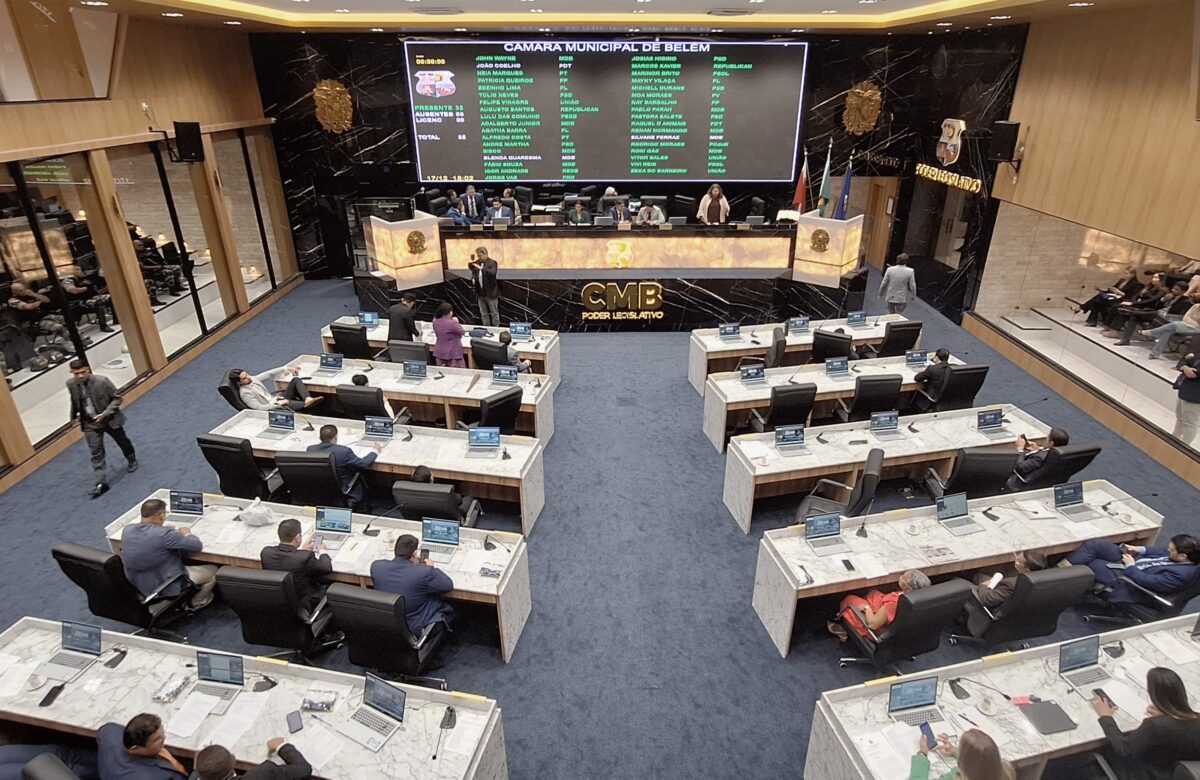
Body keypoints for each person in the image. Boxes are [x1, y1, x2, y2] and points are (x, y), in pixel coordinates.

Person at [1089, 667, 1200, 780]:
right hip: (1176, 770)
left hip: (1149, 773)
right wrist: (1164, 715)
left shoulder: (1156, 726)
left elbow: (1124, 748)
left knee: (1099, 753)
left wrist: (1106, 716)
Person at [121, 498, 217, 609]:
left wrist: (163, 530)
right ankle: (198, 602)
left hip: (139, 584)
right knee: (214, 571)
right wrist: (187, 534)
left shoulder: (128, 529)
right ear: (161, 516)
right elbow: (196, 546)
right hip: (165, 584)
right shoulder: (165, 534)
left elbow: (149, 538)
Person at [67, 360, 137, 499]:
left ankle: (131, 459)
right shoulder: (71, 384)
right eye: (76, 373)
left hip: (109, 420)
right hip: (90, 423)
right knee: (96, 452)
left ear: (88, 369)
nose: (80, 376)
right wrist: (73, 417)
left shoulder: (102, 381)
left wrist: (105, 414)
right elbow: (75, 401)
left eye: (82, 372)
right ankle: (101, 482)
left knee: (122, 441)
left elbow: (117, 399)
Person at [1065, 534, 1200, 605]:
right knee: (1096, 544)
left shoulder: (1180, 575)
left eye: (1172, 550)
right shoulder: (1183, 557)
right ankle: (1059, 571)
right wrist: (1139, 549)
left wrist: (1130, 566)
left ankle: (1059, 583)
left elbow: (1145, 580)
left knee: (1093, 563)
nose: (1168, 550)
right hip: (1132, 561)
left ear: (1182, 556)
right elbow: (1162, 551)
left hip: (1128, 580)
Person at [370, 534, 455, 636]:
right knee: (453, 607)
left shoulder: (377, 566)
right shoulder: (424, 572)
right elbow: (447, 586)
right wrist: (431, 568)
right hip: (415, 626)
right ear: (414, 554)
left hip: (388, 623)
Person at [828, 569, 931, 641]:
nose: (901, 576)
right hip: (902, 631)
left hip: (876, 629)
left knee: (850, 599)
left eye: (903, 576)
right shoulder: (923, 598)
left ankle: (840, 628)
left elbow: (873, 624)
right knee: (874, 592)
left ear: (908, 588)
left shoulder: (895, 602)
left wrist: (867, 608)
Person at [963, 550, 1048, 637]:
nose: (1016, 558)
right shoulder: (1045, 581)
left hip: (989, 613)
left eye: (1019, 561)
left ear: (1027, 570)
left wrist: (985, 586)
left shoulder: (1011, 585)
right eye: (1018, 556)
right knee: (978, 576)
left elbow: (985, 599)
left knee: (961, 583)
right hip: (1021, 617)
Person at [260, 518, 332, 615]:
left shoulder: (266, 553)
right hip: (305, 605)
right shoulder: (304, 556)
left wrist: (303, 551)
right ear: (298, 537)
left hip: (279, 605)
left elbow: (290, 559)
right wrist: (323, 551)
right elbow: (326, 568)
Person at [305, 424, 382, 510]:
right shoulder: (344, 451)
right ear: (335, 437)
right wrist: (375, 451)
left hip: (322, 490)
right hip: (343, 489)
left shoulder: (310, 450)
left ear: (320, 437)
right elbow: (363, 464)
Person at [96, 713, 186, 779]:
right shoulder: (161, 776)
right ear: (136, 748)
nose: (164, 738)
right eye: (157, 739)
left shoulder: (109, 732)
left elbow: (104, 730)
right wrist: (175, 763)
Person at [911, 728, 1014, 780]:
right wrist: (957, 751)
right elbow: (982, 759)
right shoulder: (1005, 772)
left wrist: (922, 755)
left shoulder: (956, 777)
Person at [1114, 282, 1191, 346]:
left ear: (1183, 291)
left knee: (1135, 313)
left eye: (1176, 289)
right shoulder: (1170, 296)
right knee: (1134, 316)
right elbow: (1159, 306)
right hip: (1158, 313)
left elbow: (1180, 315)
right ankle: (1125, 340)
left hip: (1166, 318)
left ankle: (1133, 313)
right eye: (1173, 288)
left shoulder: (1185, 301)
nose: (1173, 290)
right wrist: (1163, 300)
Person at [194, 739, 312, 780]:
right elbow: (304, 769)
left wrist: (205, 761)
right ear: (233, 760)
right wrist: (281, 746)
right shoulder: (262, 774)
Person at [229, 366, 320, 412]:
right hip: (274, 408)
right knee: (308, 405)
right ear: (239, 383)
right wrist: (280, 403)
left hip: (277, 399)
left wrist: (286, 368)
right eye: (244, 378)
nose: (248, 377)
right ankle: (308, 405)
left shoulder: (252, 379)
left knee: (296, 380)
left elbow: (269, 374)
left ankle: (308, 398)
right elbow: (260, 408)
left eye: (247, 374)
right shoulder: (245, 393)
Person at [1005, 427, 1069, 492]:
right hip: (1047, 482)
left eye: (1047, 437)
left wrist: (1020, 449)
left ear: (1051, 443)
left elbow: (1019, 468)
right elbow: (1047, 452)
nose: (1045, 439)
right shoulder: (1062, 455)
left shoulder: (1039, 458)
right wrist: (1038, 449)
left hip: (1021, 483)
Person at [1078, 266, 1144, 327]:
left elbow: (1132, 297)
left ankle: (1083, 308)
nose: (1124, 275)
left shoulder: (1137, 284)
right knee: (1098, 299)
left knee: (1099, 298)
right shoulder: (1122, 280)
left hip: (1122, 300)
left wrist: (1121, 293)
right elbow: (1113, 287)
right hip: (1113, 297)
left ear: (1132, 275)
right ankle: (1091, 319)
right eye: (1124, 273)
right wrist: (1111, 289)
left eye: (1126, 274)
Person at [409, 464, 477, 519]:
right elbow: (459, 501)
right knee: (468, 498)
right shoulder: (444, 494)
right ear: (431, 479)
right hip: (449, 520)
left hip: (420, 517)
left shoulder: (407, 491)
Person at [1174, 351, 1200, 445]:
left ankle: (1184, 446)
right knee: (1180, 418)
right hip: (1185, 390)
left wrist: (1184, 367)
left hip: (1195, 396)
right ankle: (1174, 440)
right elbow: (1181, 363)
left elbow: (1191, 374)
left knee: (1190, 424)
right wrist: (1185, 365)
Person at [469, 247, 500, 326]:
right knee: (483, 313)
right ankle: (487, 327)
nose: (479, 258)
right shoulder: (477, 262)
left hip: (491, 292)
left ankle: (495, 328)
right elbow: (473, 271)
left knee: (494, 313)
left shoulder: (492, 263)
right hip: (480, 292)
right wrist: (473, 278)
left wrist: (482, 268)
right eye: (478, 256)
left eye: (480, 256)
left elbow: (492, 273)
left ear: (485, 254)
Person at [431, 302, 467, 367]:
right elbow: (462, 332)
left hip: (440, 352)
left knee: (442, 372)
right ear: (450, 312)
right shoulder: (452, 323)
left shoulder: (435, 321)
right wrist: (456, 321)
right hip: (453, 353)